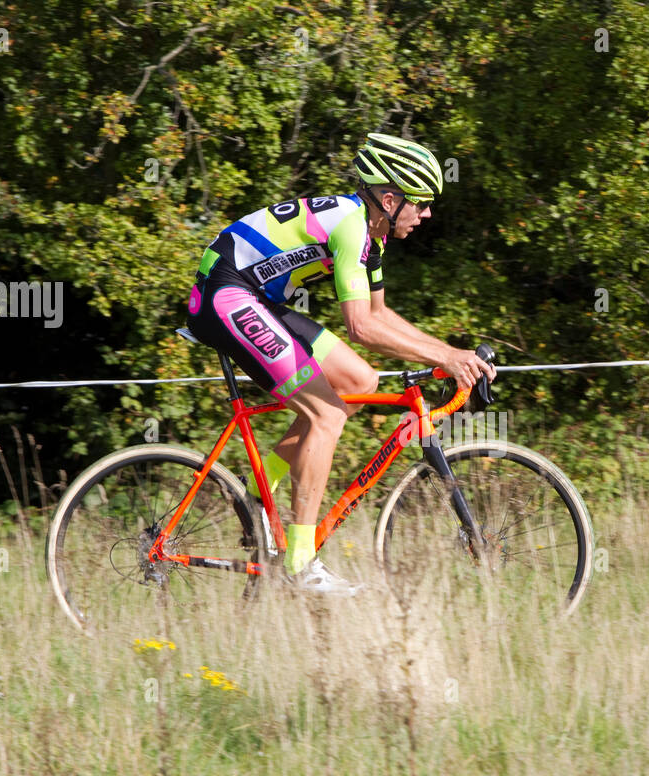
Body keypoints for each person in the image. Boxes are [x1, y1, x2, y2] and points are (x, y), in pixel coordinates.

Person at [186, 132, 495, 595]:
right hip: (225, 294)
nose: (427, 214)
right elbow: (361, 329)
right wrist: (447, 358)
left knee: (360, 380)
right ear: (389, 199)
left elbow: (380, 315)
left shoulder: (372, 235)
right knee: (327, 414)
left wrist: (450, 353)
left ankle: (258, 489)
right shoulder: (351, 226)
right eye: (421, 203)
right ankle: (300, 563)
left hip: (254, 294)